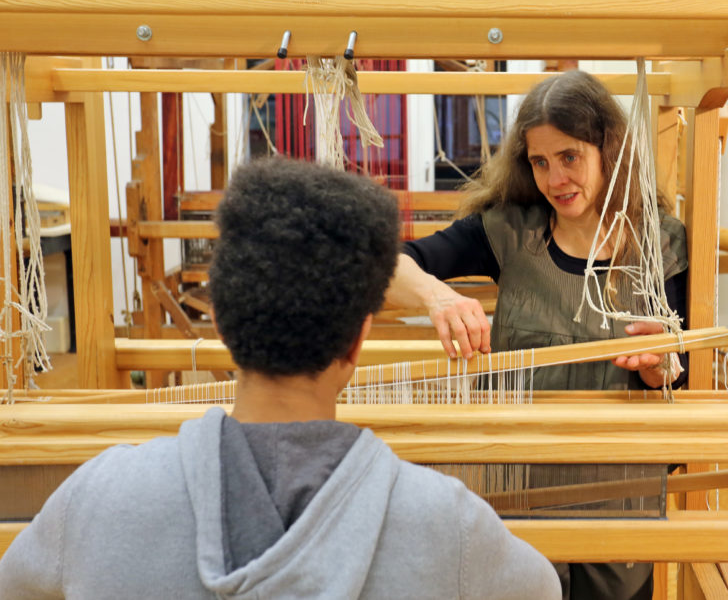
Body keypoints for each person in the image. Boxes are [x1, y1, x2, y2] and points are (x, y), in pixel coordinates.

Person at [0, 158, 561, 600]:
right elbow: (542, 590)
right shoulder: (447, 526)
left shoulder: (100, 499)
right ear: (358, 339)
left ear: (218, 319)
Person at [385, 70, 689, 599]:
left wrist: (663, 369)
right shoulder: (507, 231)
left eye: (570, 157)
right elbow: (389, 263)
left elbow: (681, 380)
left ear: (607, 150)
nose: (555, 179)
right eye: (540, 162)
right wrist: (437, 295)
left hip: (620, 497)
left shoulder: (661, 243)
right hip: (514, 492)